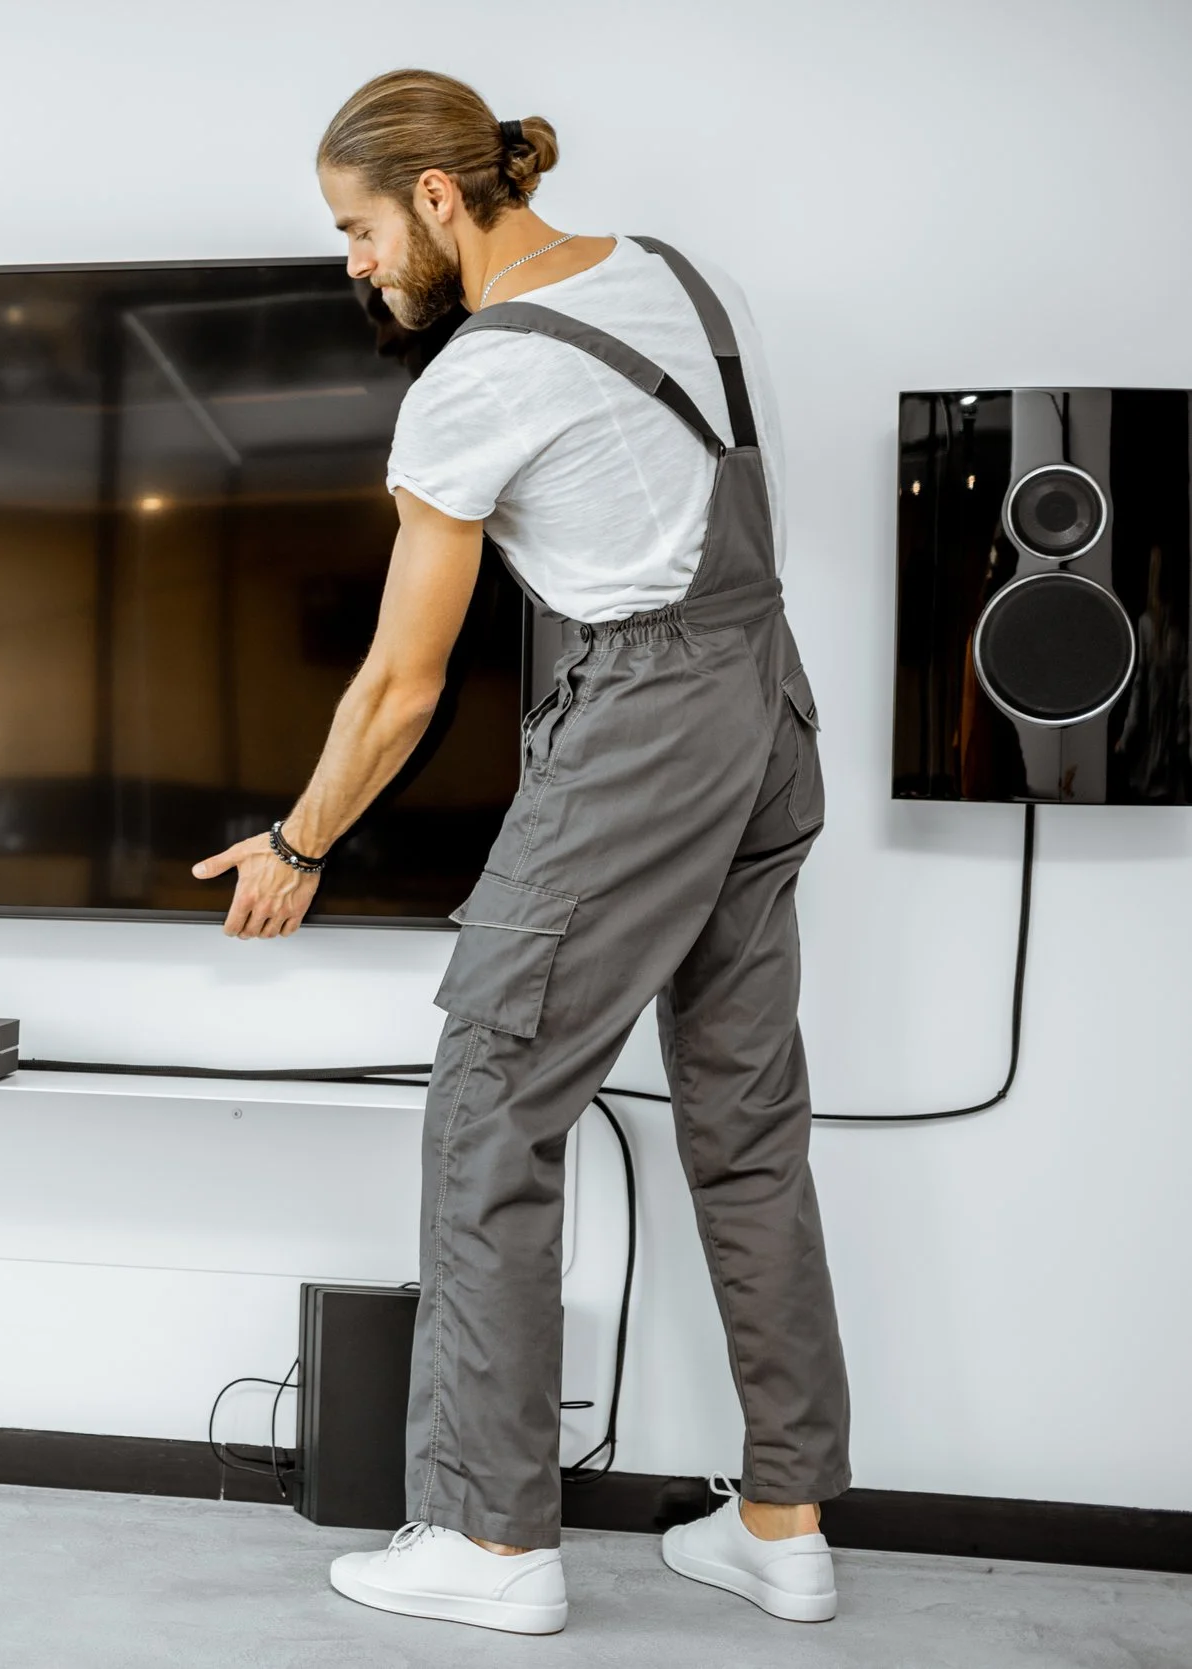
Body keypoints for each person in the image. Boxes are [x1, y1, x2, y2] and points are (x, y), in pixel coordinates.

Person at [194, 69, 850, 1633]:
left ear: (435, 197)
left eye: (356, 227)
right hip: (769, 704)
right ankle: (784, 1522)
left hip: (643, 723)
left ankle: (492, 1544)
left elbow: (402, 679)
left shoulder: (477, 380)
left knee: (493, 1100)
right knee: (747, 1116)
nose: (351, 262)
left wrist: (299, 839)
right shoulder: (690, 275)